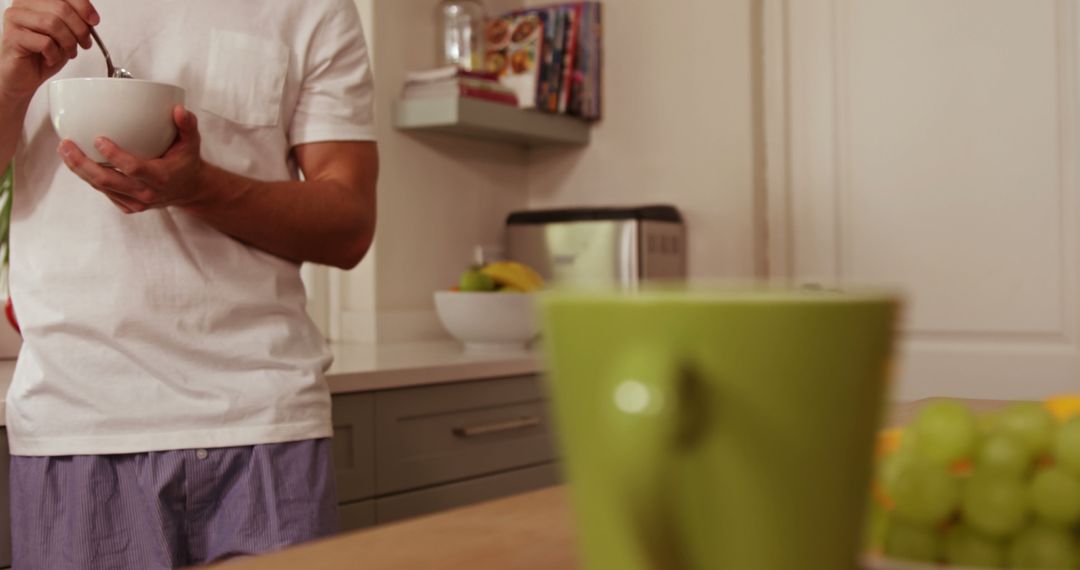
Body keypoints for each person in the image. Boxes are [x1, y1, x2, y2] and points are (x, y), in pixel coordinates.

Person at [0, 0, 378, 567]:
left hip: (266, 424)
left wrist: (197, 188)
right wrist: (6, 82)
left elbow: (348, 226)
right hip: (79, 421)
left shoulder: (317, 8)